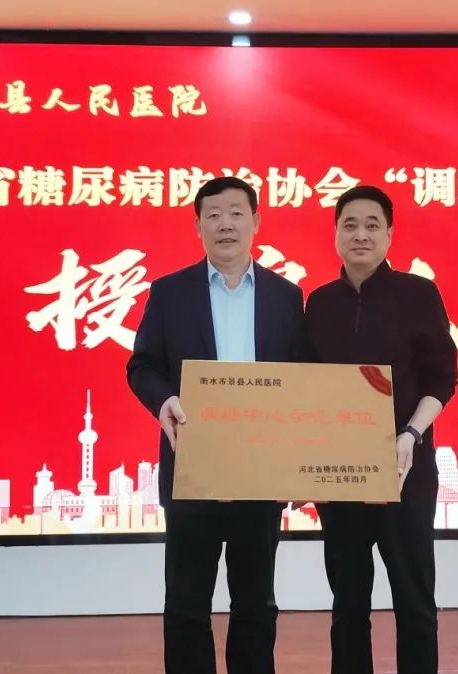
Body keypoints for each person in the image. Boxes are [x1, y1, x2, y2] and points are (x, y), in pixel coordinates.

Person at [126, 176, 306, 674]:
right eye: (213, 214)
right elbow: (143, 366)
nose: (225, 224)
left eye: (236, 213)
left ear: (256, 222)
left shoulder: (286, 297)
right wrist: (164, 400)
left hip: (261, 473)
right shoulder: (170, 292)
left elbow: (302, 380)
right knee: (187, 605)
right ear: (198, 226)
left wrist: (299, 462)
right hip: (193, 468)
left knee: (256, 604)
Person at [304, 185, 458, 674]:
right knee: (348, 604)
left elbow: (442, 379)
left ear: (389, 235)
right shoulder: (319, 303)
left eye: (372, 225)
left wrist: (411, 434)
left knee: (414, 600)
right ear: (335, 234)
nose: (361, 235)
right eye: (350, 225)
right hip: (340, 476)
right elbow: (305, 388)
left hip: (404, 470)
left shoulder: (418, 293)